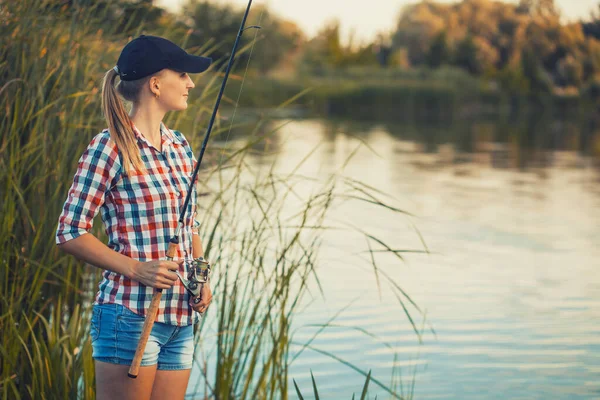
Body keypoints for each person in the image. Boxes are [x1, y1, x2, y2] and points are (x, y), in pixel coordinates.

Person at [56, 35, 213, 400]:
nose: (191, 83)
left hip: (180, 319)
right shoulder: (108, 146)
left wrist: (200, 275)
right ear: (156, 84)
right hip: (128, 317)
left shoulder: (180, 147)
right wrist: (136, 268)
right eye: (183, 74)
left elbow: (189, 224)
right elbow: (69, 231)